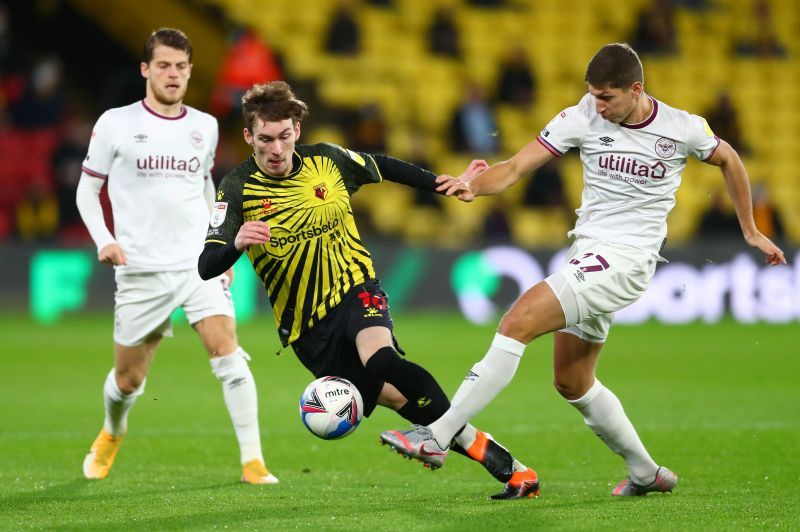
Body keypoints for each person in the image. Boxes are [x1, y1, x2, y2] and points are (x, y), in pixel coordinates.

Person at [380, 43, 786, 497]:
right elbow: (515, 167)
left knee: (516, 323)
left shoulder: (682, 128)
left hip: (628, 259)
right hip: (589, 253)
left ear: (636, 89)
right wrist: (474, 185)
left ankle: (437, 435)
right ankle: (645, 472)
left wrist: (750, 229)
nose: (598, 105)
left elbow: (729, 158)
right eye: (593, 95)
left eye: (607, 97)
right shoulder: (582, 117)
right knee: (572, 381)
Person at [198, 81, 539, 500]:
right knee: (402, 400)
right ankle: (514, 471)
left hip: (355, 286)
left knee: (380, 358)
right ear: (249, 136)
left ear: (297, 132)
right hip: (308, 330)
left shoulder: (328, 161)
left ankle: (437, 441)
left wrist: (441, 184)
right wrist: (236, 243)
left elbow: (384, 166)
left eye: (284, 136)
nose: (276, 149)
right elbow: (206, 265)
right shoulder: (237, 188)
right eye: (265, 139)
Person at [75, 28, 277, 485]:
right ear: (145, 69)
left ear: (190, 72)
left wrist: (218, 250)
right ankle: (112, 430)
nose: (173, 74)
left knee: (227, 352)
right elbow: (88, 189)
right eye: (163, 65)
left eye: (181, 67)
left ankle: (254, 462)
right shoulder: (115, 123)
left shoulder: (203, 126)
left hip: (194, 265)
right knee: (128, 380)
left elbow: (204, 187)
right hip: (140, 268)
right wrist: (104, 239)